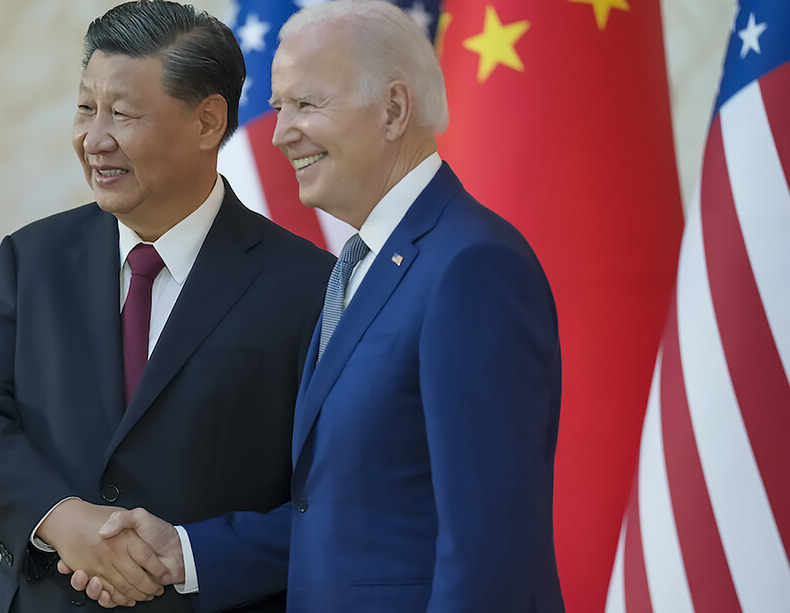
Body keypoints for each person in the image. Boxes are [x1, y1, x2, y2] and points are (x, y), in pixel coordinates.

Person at [70, 1, 566, 611]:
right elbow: (342, 510)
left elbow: (492, 550)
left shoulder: (471, 266)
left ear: (393, 110)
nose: (279, 133)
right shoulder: (357, 268)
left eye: (307, 105)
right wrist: (186, 551)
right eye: (279, 108)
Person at [0, 1, 334, 611]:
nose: (93, 139)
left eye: (121, 113)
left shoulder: (307, 287)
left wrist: (186, 555)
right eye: (84, 108)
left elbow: (329, 503)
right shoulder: (34, 258)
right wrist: (61, 520)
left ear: (208, 123)